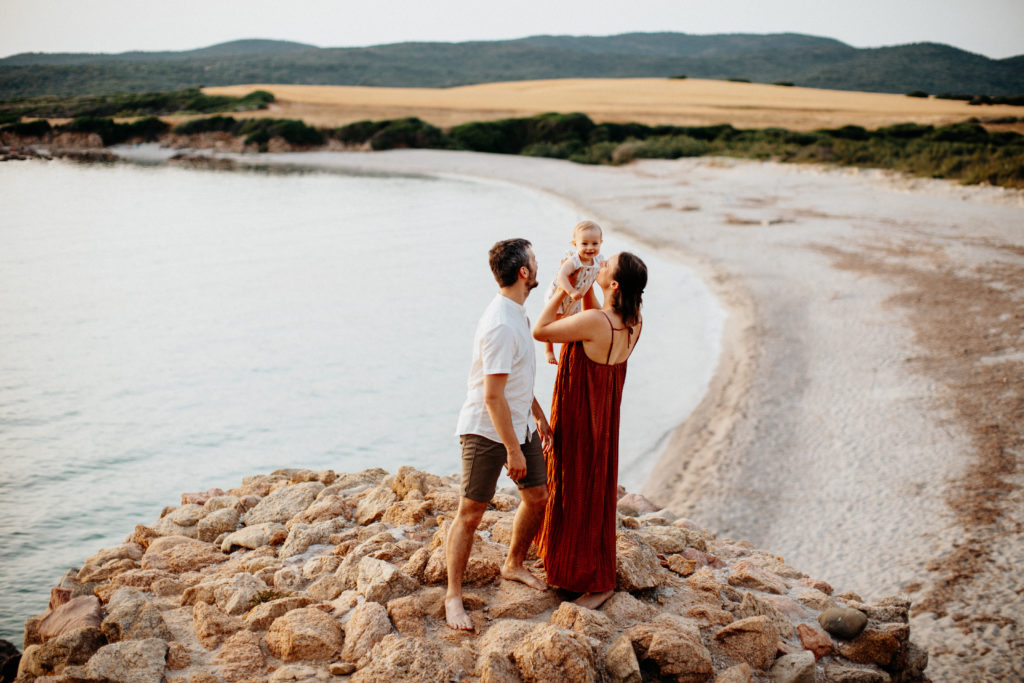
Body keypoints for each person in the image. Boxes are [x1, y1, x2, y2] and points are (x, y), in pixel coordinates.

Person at [446, 238, 554, 630]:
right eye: (534, 259)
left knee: (537, 497)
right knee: (471, 513)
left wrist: (537, 416)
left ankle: (513, 563)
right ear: (524, 272)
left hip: (519, 423)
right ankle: (453, 597)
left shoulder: (518, 313)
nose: (538, 263)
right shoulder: (501, 324)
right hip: (486, 431)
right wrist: (513, 450)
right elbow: (492, 396)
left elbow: (517, 378)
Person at [531, 251, 647, 609]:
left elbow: (540, 330)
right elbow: (595, 316)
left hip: (578, 413)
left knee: (572, 484)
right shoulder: (633, 321)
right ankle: (572, 564)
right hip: (604, 418)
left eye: (606, 265)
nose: (601, 262)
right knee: (593, 489)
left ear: (615, 284)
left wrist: (561, 287)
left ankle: (593, 580)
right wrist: (583, 288)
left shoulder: (596, 322)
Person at [543, 220, 607, 365]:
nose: (590, 248)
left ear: (601, 243)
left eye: (595, 243)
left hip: (576, 297)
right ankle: (548, 350)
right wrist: (570, 290)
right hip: (560, 294)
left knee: (573, 321)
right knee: (552, 322)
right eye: (584, 244)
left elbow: (603, 270)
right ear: (575, 244)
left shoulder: (598, 260)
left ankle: (570, 350)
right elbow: (561, 275)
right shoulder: (574, 261)